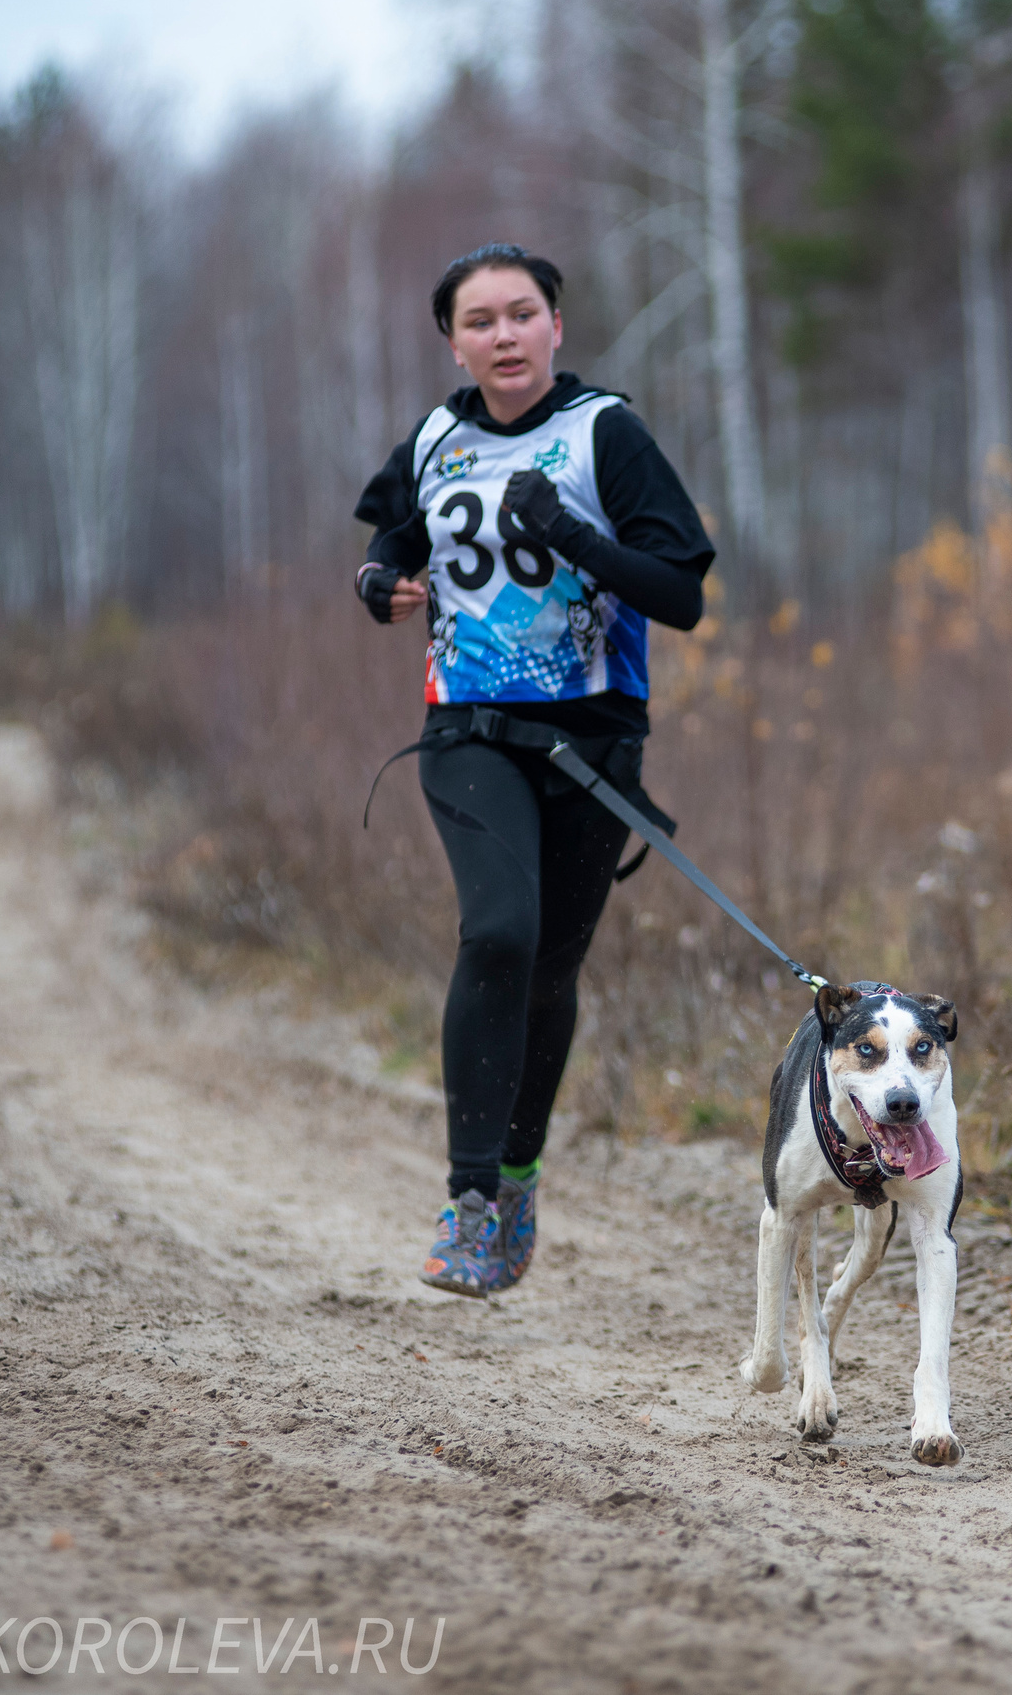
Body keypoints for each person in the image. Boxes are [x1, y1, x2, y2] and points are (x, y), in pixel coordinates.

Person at [353, 243, 715, 1297]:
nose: (503, 335)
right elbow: (391, 538)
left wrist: (570, 533)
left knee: (550, 971)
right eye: (480, 320)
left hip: (592, 744)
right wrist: (376, 580)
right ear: (453, 340)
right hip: (467, 733)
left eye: (522, 314)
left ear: (557, 326)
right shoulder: (436, 438)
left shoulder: (605, 432)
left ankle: (517, 1176)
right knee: (498, 931)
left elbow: (680, 593)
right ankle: (467, 1199)